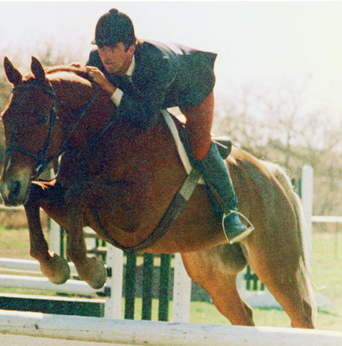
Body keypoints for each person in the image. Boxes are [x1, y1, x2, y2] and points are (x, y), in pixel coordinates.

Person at [85, 8, 253, 243]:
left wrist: (111, 89)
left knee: (199, 146)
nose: (106, 56)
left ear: (130, 48)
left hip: (192, 86)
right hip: (152, 94)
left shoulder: (158, 64)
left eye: (113, 48)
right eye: (102, 48)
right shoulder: (96, 62)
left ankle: (231, 212)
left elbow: (145, 118)